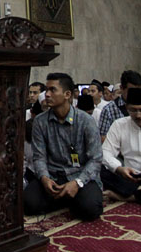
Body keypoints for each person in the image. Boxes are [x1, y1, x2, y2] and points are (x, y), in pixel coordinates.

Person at [24, 72, 103, 220]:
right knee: (28, 204)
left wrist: (77, 183)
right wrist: (45, 179)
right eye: (46, 90)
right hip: (53, 175)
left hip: (80, 175)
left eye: (52, 90)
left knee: (90, 209)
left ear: (67, 94)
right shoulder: (40, 122)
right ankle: (64, 197)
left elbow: (96, 160)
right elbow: (39, 157)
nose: (46, 94)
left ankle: (68, 197)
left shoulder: (86, 121)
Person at [97, 70, 141, 140]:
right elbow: (103, 137)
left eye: (138, 90)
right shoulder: (108, 110)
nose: (135, 94)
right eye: (131, 91)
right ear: (121, 88)